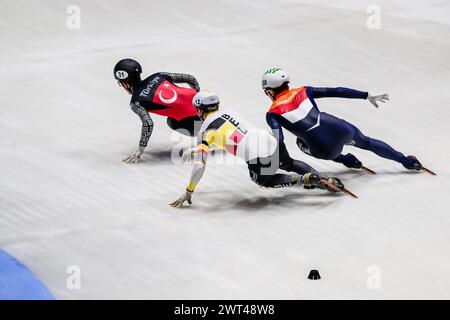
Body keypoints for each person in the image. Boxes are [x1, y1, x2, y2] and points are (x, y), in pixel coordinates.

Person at [170, 90, 344, 208]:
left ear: (199, 109)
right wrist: (200, 148)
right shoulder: (230, 112)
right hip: (271, 140)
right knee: (289, 163)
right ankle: (323, 178)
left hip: (258, 157)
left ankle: (307, 179)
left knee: (263, 181)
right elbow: (228, 137)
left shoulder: (205, 132)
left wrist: (189, 190)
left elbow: (200, 165)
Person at [260, 68, 423, 171]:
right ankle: (406, 161)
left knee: (300, 143)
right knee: (367, 142)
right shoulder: (303, 90)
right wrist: (366, 96)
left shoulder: (272, 112)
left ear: (270, 91)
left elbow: (278, 140)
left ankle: (347, 160)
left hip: (324, 149)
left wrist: (272, 159)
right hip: (337, 127)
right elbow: (337, 91)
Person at [114, 58, 202, 163]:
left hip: (194, 118)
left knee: (172, 122)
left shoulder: (136, 102)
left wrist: (140, 149)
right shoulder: (158, 75)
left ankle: (209, 136)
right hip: (203, 103)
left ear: (125, 83)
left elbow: (148, 123)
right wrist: (198, 97)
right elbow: (190, 78)